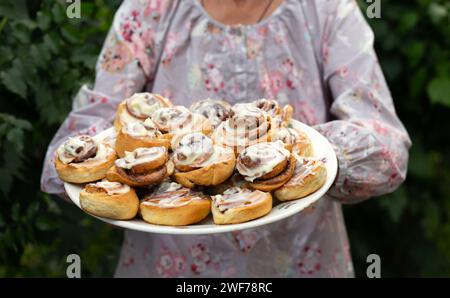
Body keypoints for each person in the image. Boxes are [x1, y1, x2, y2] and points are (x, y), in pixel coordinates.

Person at [41, 0, 411, 277]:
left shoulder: (327, 10)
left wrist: (298, 158)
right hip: (171, 265)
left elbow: (386, 149)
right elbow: (82, 141)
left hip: (301, 258)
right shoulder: (150, 10)